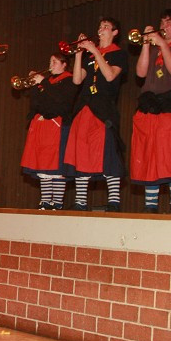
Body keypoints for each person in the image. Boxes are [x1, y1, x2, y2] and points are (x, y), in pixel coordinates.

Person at [130, 10, 171, 213]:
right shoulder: (152, 49)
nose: (164, 25)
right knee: (150, 156)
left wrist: (162, 43)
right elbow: (140, 73)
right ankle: (151, 206)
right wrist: (145, 44)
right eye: (161, 22)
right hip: (150, 106)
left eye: (168, 22)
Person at [63, 18, 127, 211]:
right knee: (82, 154)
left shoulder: (118, 54)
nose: (101, 30)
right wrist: (80, 54)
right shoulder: (90, 56)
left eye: (106, 27)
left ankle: (114, 202)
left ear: (115, 32)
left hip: (104, 109)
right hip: (85, 108)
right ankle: (80, 202)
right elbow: (76, 80)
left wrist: (96, 51)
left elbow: (109, 76)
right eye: (99, 27)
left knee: (108, 155)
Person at [19, 53, 77, 209]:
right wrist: (34, 85)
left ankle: (57, 203)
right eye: (50, 61)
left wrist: (43, 81)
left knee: (56, 167)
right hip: (43, 125)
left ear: (64, 64)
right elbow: (36, 102)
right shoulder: (48, 82)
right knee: (43, 166)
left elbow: (60, 99)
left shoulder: (69, 79)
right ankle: (45, 201)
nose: (50, 64)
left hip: (58, 125)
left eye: (54, 61)